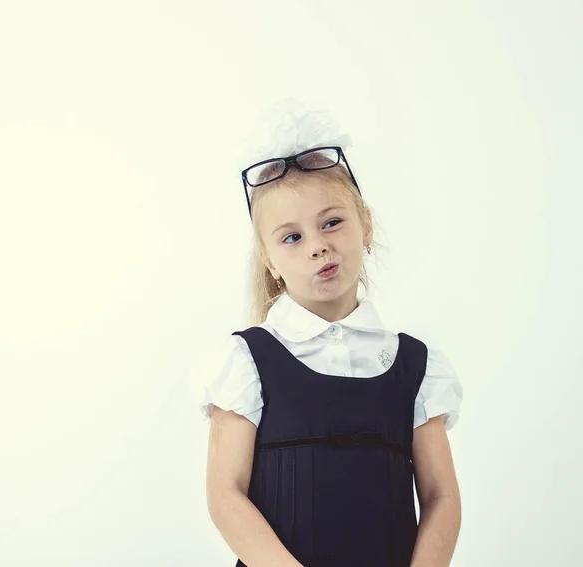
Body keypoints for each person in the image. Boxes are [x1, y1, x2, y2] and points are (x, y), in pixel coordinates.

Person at [188, 102, 463, 567]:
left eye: (332, 222)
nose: (318, 245)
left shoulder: (416, 367)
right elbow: (225, 496)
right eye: (291, 238)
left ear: (366, 226)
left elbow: (441, 498)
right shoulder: (245, 362)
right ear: (270, 262)